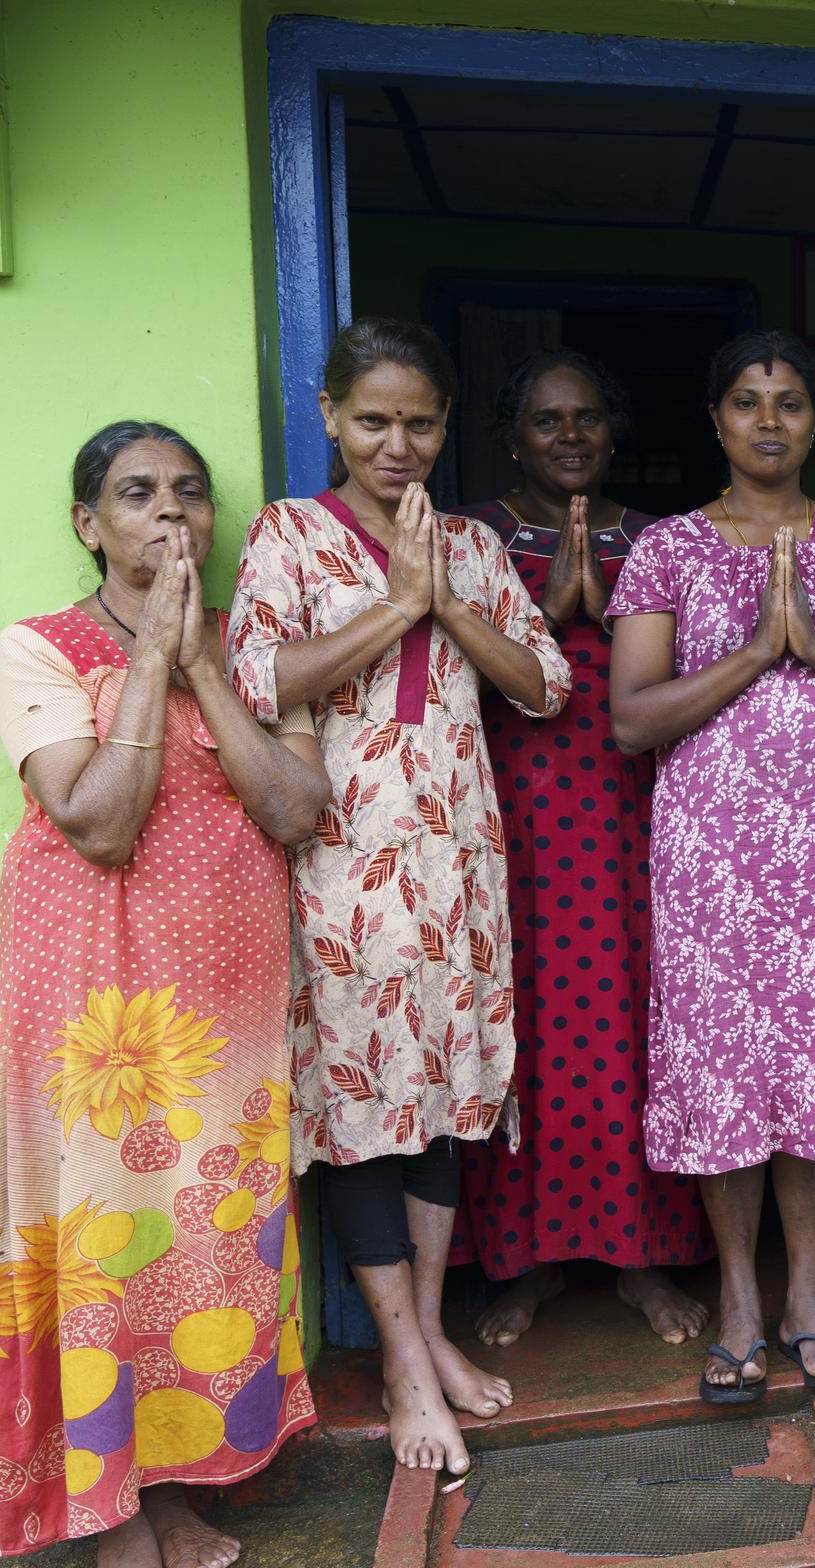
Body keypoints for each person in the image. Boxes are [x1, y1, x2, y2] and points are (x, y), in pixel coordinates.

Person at [0, 422, 329, 1567]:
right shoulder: (42, 647)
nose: (171, 514)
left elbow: (292, 809)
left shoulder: (256, 647)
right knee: (103, 1245)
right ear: (90, 523)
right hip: (100, 1016)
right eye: (136, 493)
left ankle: (175, 1489)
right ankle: (108, 1508)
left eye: (189, 493)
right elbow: (101, 820)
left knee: (201, 1245)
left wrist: (207, 667)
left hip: (226, 1013)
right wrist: (152, 666)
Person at [227, 318, 571, 1477]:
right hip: (339, 867)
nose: (397, 442)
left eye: (419, 421)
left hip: (458, 869)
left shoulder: (470, 544)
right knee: (366, 1111)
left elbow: (544, 684)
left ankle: (425, 1329)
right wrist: (391, 610)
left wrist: (445, 600)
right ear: (329, 415)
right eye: (372, 419)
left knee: (441, 1097)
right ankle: (403, 1360)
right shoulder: (289, 534)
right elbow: (257, 675)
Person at [608, 329, 815, 1405]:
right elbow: (631, 716)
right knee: (727, 1073)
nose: (768, 420)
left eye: (790, 402)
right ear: (714, 418)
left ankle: (804, 1294)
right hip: (712, 862)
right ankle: (740, 1298)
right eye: (747, 400)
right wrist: (753, 653)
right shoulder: (668, 550)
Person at [444, 350, 712, 1351]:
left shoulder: (656, 540)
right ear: (511, 436)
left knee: (636, 1020)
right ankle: (531, 1264)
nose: (570, 436)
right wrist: (549, 614)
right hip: (511, 817)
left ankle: (642, 1257)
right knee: (533, 1031)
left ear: (613, 433)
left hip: (637, 814)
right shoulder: (470, 541)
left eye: (588, 420)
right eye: (548, 420)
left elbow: (698, 674)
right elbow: (434, 675)